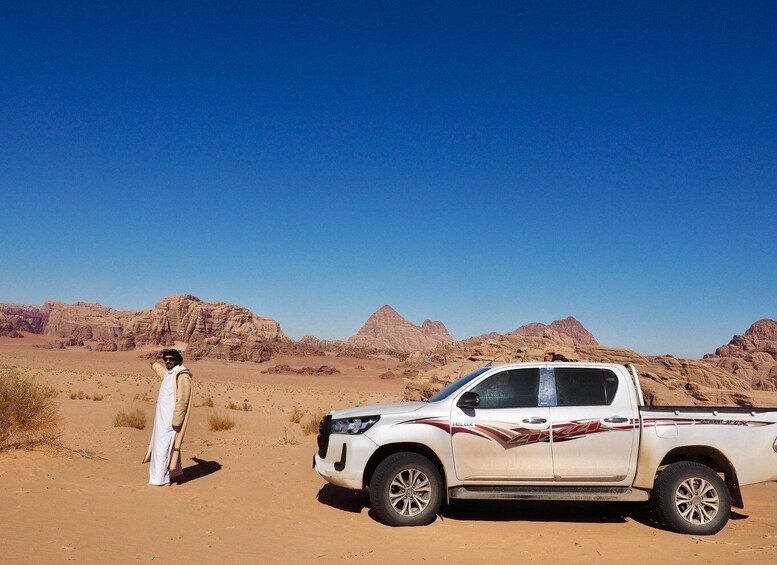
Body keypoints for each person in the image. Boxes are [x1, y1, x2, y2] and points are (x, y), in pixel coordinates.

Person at [142, 348, 193, 486]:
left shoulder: (182, 374)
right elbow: (163, 373)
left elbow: (183, 399)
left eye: (171, 359)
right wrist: (154, 365)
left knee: (162, 448)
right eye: (166, 359)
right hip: (162, 420)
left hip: (170, 421)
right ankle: (176, 475)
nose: (168, 361)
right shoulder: (171, 373)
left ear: (177, 359)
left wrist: (177, 421)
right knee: (168, 446)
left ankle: (159, 480)